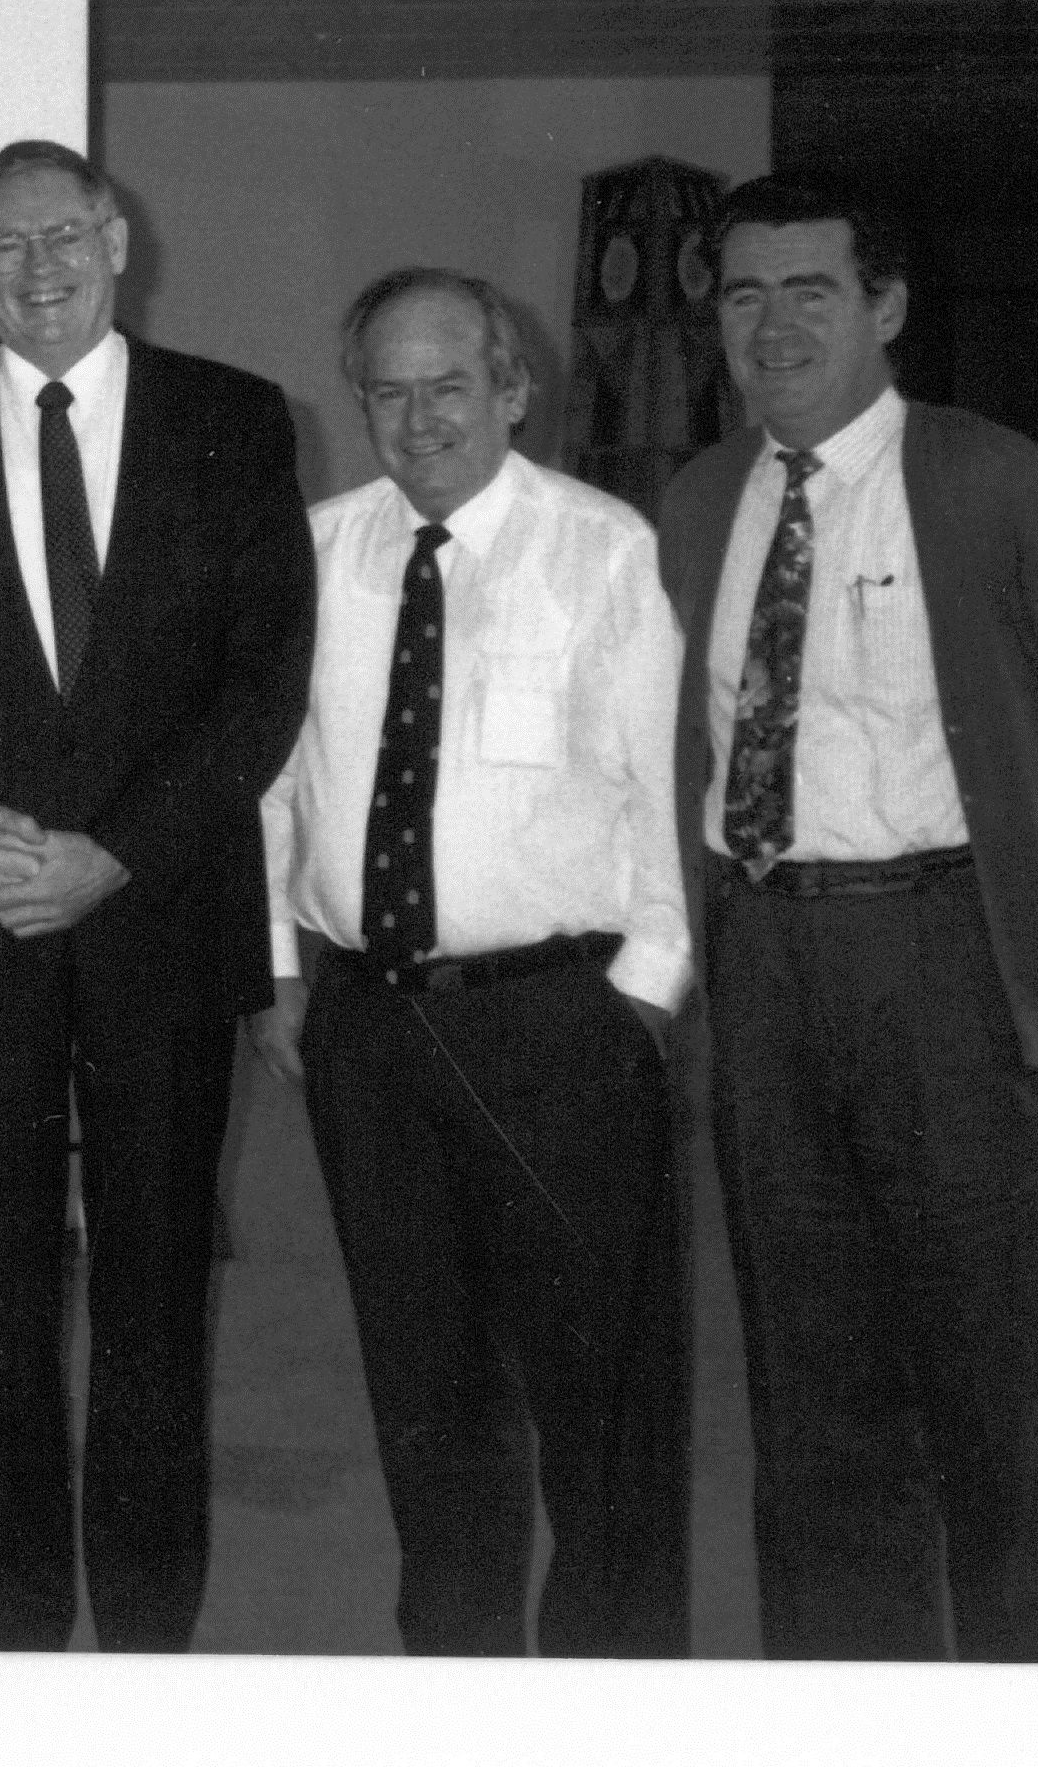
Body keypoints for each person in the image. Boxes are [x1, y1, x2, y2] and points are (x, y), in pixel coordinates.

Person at [657, 173, 1038, 1661]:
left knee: (1003, 1401)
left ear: (886, 308)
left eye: (809, 292)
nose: (770, 327)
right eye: (742, 296)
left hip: (955, 967)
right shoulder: (703, 501)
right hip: (766, 964)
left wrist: (1010, 869)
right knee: (813, 1396)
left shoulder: (1000, 486)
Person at [0, 137, 312, 1652]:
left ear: (119, 238)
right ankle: (7, 1640)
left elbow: (260, 687)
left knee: (157, 1289)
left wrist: (119, 852)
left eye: (60, 238)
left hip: (159, 916)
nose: (34, 272)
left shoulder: (233, 419)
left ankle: (149, 1639)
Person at [253, 268, 692, 1658]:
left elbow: (669, 784)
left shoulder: (606, 550)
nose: (420, 414)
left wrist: (643, 997)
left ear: (513, 390)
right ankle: (452, 1692)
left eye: (451, 384)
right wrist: (276, 968)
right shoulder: (315, 554)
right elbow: (273, 785)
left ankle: (608, 1703)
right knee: (423, 1397)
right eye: (390, 388)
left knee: (598, 1401)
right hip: (367, 1031)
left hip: (558, 1022)